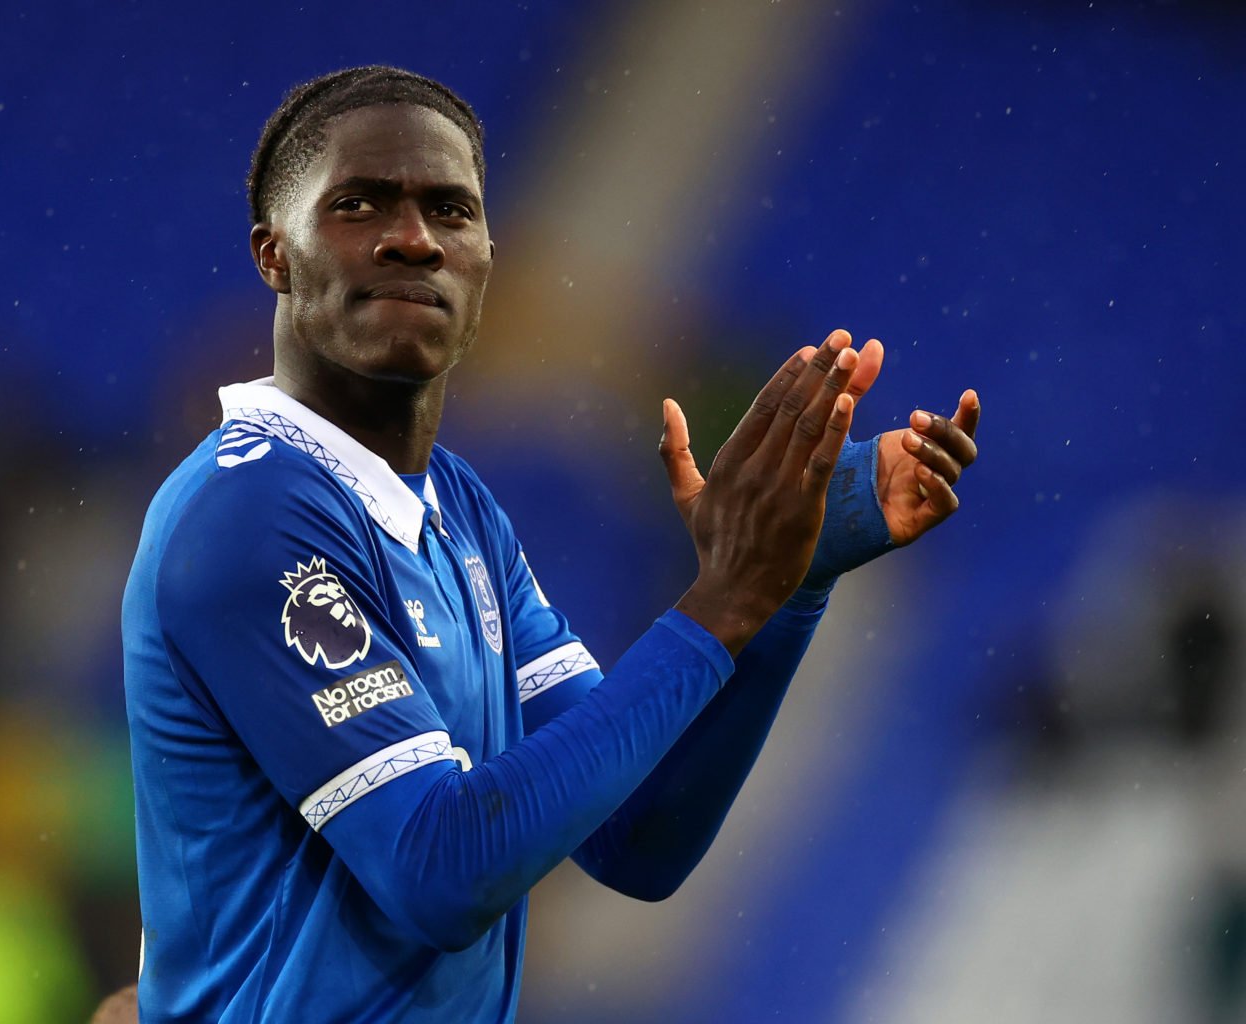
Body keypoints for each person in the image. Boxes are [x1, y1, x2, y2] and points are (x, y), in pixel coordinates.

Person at [121, 65, 979, 1022]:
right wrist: (725, 597)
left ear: (487, 257)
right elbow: (439, 871)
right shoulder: (248, 514)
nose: (414, 239)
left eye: (450, 211)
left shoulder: (462, 511)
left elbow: (639, 838)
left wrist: (787, 585)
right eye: (362, 205)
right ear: (274, 253)